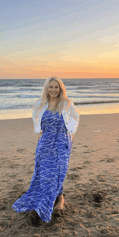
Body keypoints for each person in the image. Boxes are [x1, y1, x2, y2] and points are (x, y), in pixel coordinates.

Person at [12, 76, 79, 223]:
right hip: (46, 143)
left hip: (61, 142)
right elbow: (36, 118)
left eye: (56, 87)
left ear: (60, 89)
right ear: (47, 89)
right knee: (45, 173)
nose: (53, 90)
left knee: (58, 172)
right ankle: (49, 200)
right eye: (51, 87)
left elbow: (75, 117)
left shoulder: (66, 103)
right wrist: (40, 131)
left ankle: (60, 198)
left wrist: (71, 133)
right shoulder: (41, 104)